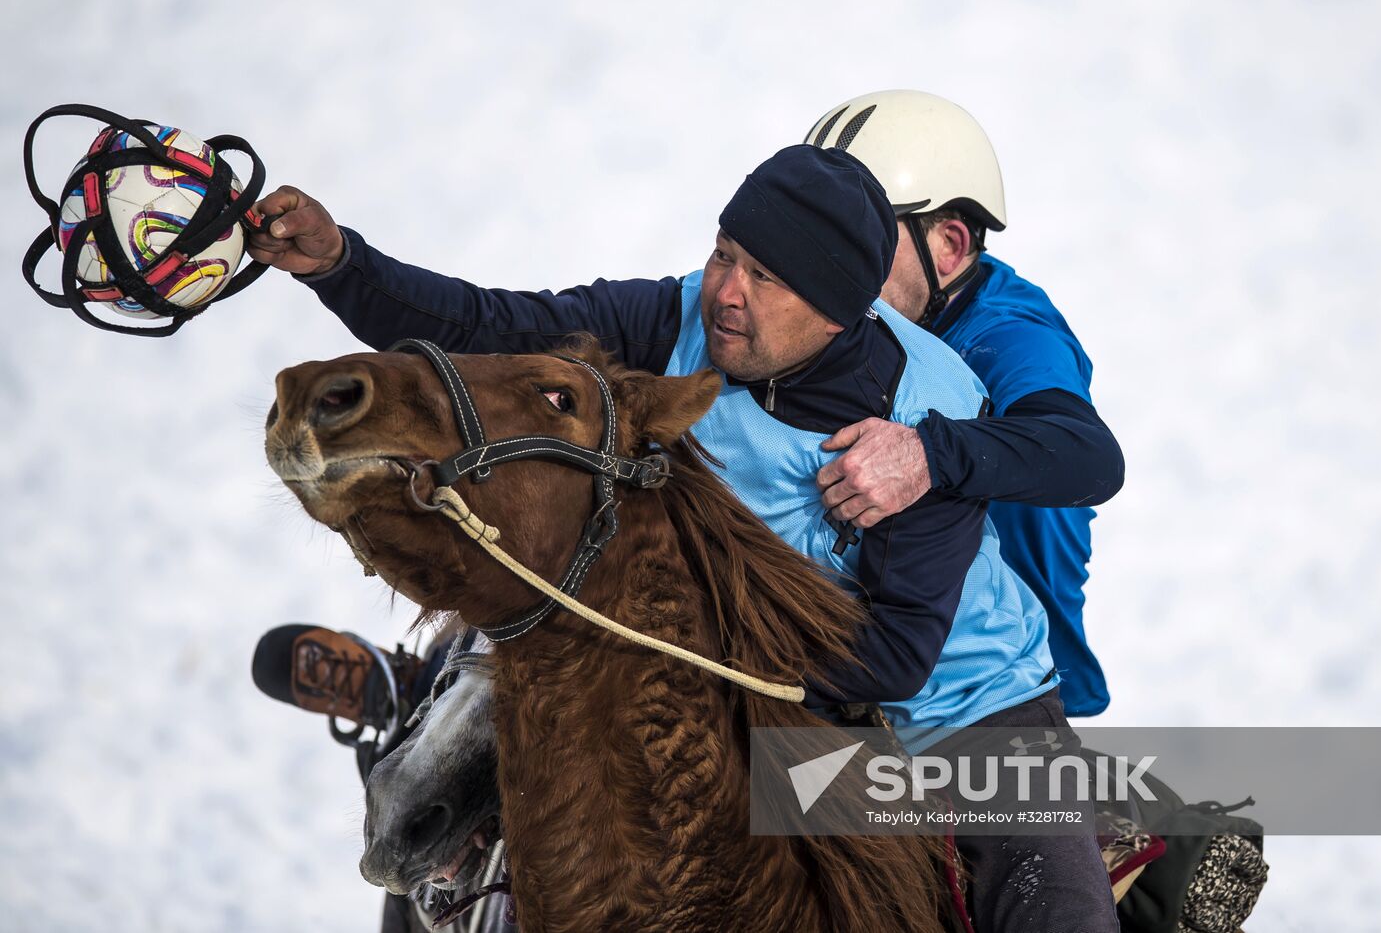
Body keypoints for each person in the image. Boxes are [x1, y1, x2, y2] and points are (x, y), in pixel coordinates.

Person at [248, 143, 1119, 931]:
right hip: (729, 664)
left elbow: (892, 660)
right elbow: (491, 325)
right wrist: (340, 263)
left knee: (1062, 914)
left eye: (765, 277)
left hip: (956, 716)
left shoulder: (920, 416)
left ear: (836, 312)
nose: (726, 291)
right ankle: (442, 694)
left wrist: (666, 657)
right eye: (724, 254)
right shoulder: (676, 320)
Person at [807, 91, 1124, 719]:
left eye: (860, 237)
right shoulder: (860, 311)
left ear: (949, 247)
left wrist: (927, 453)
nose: (824, 266)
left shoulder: (1008, 336)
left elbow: (1089, 455)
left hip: (994, 682)